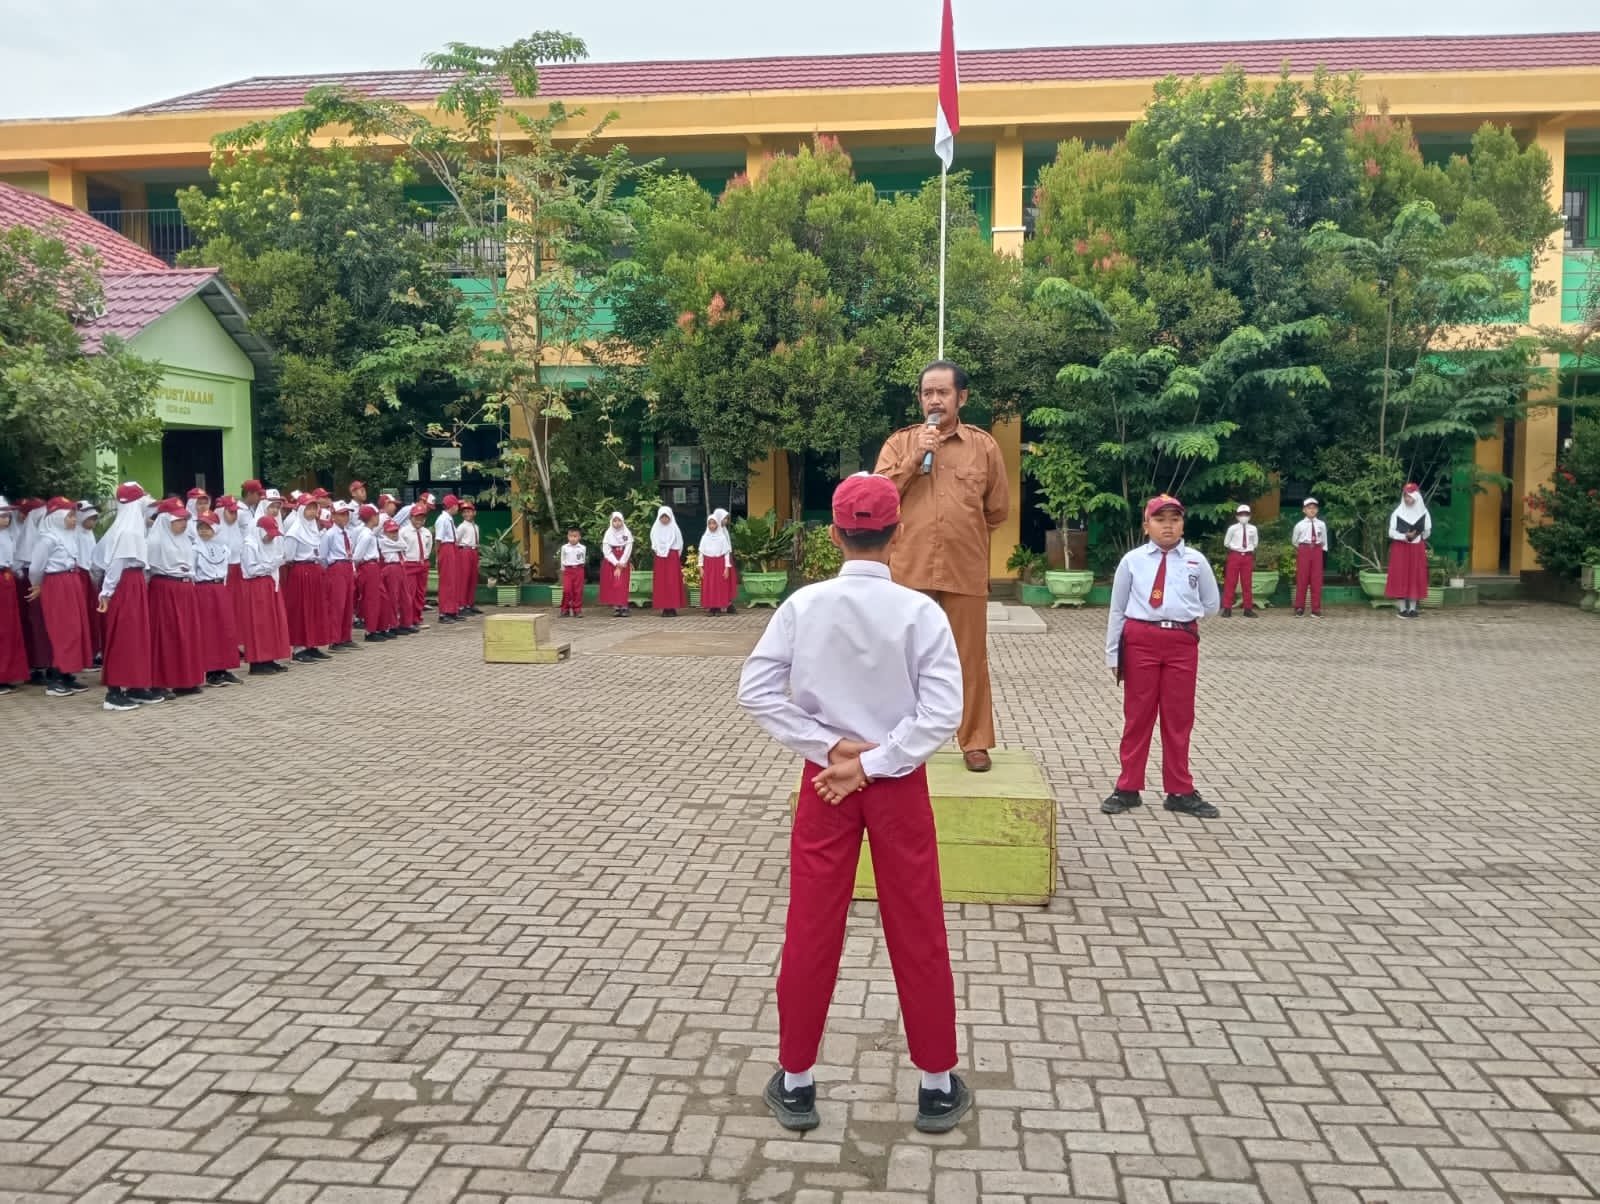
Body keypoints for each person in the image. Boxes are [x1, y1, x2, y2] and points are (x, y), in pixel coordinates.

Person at [737, 473, 970, 1135]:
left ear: (835, 535)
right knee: (918, 926)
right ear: (899, 533)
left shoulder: (803, 606)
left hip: (826, 784)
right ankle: (935, 1084)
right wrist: (872, 761)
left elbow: (756, 692)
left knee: (811, 926)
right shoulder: (921, 612)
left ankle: (797, 1081)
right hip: (897, 784)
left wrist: (833, 749)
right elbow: (942, 713)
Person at [873, 360, 1010, 773]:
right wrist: (916, 458)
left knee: (969, 659)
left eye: (943, 392)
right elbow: (878, 498)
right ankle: (897, 740)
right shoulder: (899, 444)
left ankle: (975, 742)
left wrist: (962, 533)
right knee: (902, 659)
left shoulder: (984, 447)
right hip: (908, 569)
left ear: (961, 397)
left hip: (964, 568)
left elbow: (997, 510)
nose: (934, 400)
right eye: (927, 393)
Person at [1101, 495, 1222, 821]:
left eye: (1175, 520)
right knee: (1138, 715)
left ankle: (1180, 790)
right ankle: (1128, 787)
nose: (1168, 526)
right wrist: (1113, 653)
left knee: (1178, 717)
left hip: (1181, 642)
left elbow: (1212, 604)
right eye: (1160, 520)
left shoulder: (1196, 561)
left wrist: (1183, 612)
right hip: (1141, 639)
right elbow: (1117, 609)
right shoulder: (1133, 561)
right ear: (1146, 526)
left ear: (1182, 524)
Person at [96, 483, 159, 710]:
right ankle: (114, 693)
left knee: (136, 636)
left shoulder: (132, 529)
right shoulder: (129, 532)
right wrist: (107, 592)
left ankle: (135, 685)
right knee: (123, 635)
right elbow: (116, 564)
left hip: (133, 583)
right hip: (126, 584)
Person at [26, 498, 93, 697]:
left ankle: (66, 673)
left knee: (74, 628)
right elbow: (36, 568)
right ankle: (55, 678)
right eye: (70, 516)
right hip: (56, 583)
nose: (74, 520)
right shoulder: (47, 539)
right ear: (56, 517)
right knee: (61, 629)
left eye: (74, 516)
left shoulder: (69, 536)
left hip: (72, 580)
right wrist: (37, 585)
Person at [145, 500, 204, 698]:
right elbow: (147, 570)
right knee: (166, 634)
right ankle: (159, 681)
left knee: (186, 634)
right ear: (165, 520)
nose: (183, 523)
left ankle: (185, 679)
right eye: (178, 520)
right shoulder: (155, 542)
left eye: (185, 519)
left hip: (185, 588)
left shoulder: (185, 539)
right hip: (165, 588)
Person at [193, 511, 243, 688]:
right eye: (200, 527)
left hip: (220, 588)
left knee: (224, 628)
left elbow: (225, 572)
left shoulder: (224, 549)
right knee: (209, 630)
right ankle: (211, 670)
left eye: (208, 527)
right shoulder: (195, 549)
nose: (204, 530)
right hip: (203, 589)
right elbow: (192, 572)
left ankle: (224, 667)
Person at [240, 515, 291, 674]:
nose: (271, 537)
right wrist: (272, 564)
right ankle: (257, 662)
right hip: (256, 586)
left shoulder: (270, 544)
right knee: (259, 623)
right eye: (269, 534)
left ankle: (269, 657)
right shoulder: (250, 545)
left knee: (271, 622)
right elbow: (250, 570)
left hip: (270, 584)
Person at [282, 497, 330, 664]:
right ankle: (299, 648)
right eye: (308, 508)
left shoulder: (313, 528)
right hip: (301, 572)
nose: (312, 512)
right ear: (301, 510)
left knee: (315, 608)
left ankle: (312, 644)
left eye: (314, 508)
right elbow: (288, 556)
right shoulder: (295, 531)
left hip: (314, 570)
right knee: (302, 609)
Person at [1386, 483, 1431, 618]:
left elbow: (1427, 531)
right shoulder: (1398, 512)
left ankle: (1412, 609)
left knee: (1415, 574)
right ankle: (1402, 609)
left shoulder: (1423, 513)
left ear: (1416, 497)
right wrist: (1404, 536)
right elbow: (1391, 532)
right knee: (1401, 575)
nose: (1407, 499)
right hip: (1400, 548)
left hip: (1416, 548)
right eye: (1405, 496)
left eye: (1410, 496)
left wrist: (1417, 535)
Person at [320, 503, 359, 650]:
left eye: (347, 514)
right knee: (337, 604)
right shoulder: (329, 534)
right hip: (336, 567)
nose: (345, 517)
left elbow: (351, 552)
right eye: (341, 514)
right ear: (334, 516)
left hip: (347, 566)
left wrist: (352, 568)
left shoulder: (348, 533)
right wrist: (331, 569)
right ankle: (334, 639)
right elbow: (323, 556)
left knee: (348, 603)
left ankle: (345, 636)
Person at [0, 498, 27, 695]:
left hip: (7, 578)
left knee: (9, 628)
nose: (6, 519)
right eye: (2, 515)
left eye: (8, 516)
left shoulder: (8, 535)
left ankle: (7, 674)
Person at [352, 506, 391, 642]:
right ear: (372, 517)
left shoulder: (369, 533)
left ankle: (380, 627)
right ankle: (370, 630)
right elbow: (357, 555)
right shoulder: (366, 535)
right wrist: (358, 567)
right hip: (368, 567)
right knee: (372, 600)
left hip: (373, 567)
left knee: (381, 598)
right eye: (377, 516)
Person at [1292, 497, 1329, 617]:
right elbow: (1295, 541)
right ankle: (1299, 607)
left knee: (1316, 580)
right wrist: (1304, 548)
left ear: (1317, 510)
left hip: (1317, 550)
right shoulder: (1299, 525)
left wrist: (1322, 553)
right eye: (1309, 508)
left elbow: (1324, 540)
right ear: (1304, 510)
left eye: (1314, 508)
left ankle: (1316, 609)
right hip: (1304, 549)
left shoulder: (1321, 524)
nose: (1312, 510)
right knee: (1302, 578)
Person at [1220, 503, 1259, 618]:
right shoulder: (1232, 528)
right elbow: (1226, 543)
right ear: (1237, 516)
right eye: (1241, 514)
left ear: (1250, 516)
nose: (1244, 516)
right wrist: (1236, 548)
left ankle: (1248, 609)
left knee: (1247, 583)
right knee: (1230, 582)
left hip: (1247, 556)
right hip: (1235, 555)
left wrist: (1247, 549)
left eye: (1246, 514)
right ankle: (1227, 608)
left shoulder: (1253, 529)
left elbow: (1255, 543)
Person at [699, 509, 738, 615]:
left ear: (717, 524)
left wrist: (726, 567)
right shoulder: (705, 537)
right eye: (710, 523)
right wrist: (700, 567)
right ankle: (711, 607)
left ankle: (718, 608)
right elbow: (701, 552)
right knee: (709, 585)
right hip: (708, 564)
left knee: (719, 586)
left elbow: (726, 552)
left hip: (719, 564)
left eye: (714, 523)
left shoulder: (722, 537)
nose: (712, 526)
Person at [400, 504, 433, 630]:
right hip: (409, 564)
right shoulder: (404, 532)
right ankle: (407, 621)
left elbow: (428, 547)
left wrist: (424, 559)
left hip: (422, 564)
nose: (419, 520)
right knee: (409, 593)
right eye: (417, 517)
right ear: (411, 518)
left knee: (420, 593)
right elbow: (401, 549)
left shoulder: (427, 532)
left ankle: (417, 619)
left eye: (422, 518)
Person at [650, 506, 687, 616]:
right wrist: (660, 551)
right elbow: (654, 543)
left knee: (672, 582)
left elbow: (680, 543)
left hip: (672, 557)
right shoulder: (655, 528)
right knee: (662, 583)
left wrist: (674, 555)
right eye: (662, 517)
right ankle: (664, 607)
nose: (664, 519)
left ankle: (672, 607)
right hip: (660, 558)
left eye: (666, 517)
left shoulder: (674, 528)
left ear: (670, 517)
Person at [378, 519, 412, 635]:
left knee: (405, 597)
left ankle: (405, 623)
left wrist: (399, 545)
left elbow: (404, 546)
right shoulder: (382, 541)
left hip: (401, 566)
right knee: (393, 597)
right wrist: (399, 546)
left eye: (395, 531)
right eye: (391, 531)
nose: (394, 534)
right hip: (391, 567)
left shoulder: (398, 539)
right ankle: (392, 624)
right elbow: (402, 546)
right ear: (385, 532)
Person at [434, 495, 463, 623]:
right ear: (451, 506)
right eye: (457, 505)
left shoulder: (449, 519)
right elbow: (438, 539)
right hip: (446, 548)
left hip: (452, 547)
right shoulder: (442, 519)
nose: (458, 508)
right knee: (446, 581)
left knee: (453, 580)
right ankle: (443, 612)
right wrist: (438, 555)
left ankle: (452, 610)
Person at [600, 512, 633, 617]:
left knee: (622, 584)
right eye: (615, 521)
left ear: (622, 521)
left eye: (619, 520)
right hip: (612, 560)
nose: (617, 523)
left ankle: (624, 606)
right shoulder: (608, 533)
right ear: (611, 522)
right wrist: (616, 563)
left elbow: (628, 548)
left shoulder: (626, 532)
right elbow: (606, 550)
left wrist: (622, 562)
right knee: (614, 584)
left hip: (623, 559)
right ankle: (617, 607)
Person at [456, 501, 481, 616]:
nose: (466, 514)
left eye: (469, 511)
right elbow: (456, 541)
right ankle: (462, 605)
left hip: (474, 551)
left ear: (474, 513)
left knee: (473, 578)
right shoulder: (462, 527)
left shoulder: (476, 526)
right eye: (464, 512)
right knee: (464, 578)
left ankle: (470, 604)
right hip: (465, 551)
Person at [558, 526, 587, 618]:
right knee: (567, 590)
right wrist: (563, 570)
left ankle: (577, 610)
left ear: (579, 537)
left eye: (575, 536)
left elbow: (583, 559)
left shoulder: (582, 548)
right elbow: (562, 559)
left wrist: (580, 568)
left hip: (579, 570)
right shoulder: (564, 547)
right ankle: (564, 609)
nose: (573, 538)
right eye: (570, 536)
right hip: (568, 570)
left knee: (578, 591)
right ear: (568, 536)